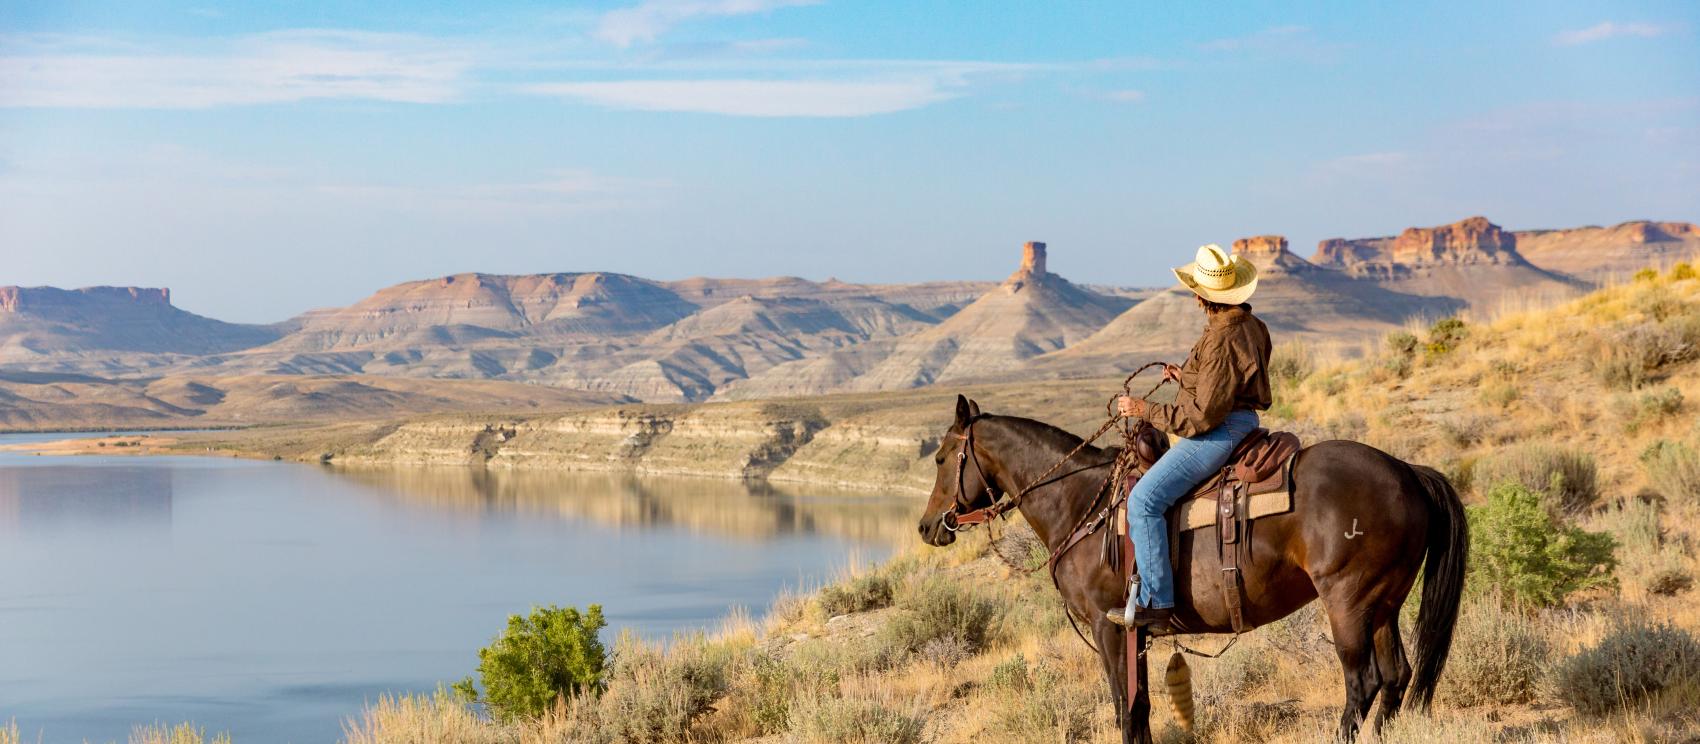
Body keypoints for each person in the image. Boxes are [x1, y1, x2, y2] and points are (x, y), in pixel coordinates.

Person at [1106, 243, 1273, 632]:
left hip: (1220, 431)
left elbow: (1200, 417)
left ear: (1201, 295)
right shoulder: (1253, 326)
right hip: (1243, 421)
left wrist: (1143, 410)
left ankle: (1157, 602)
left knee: (1144, 501)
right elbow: (1230, 383)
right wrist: (1189, 378)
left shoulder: (1220, 337)